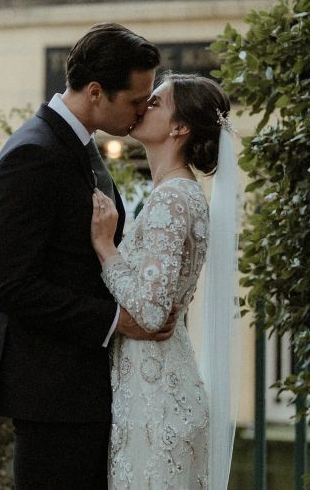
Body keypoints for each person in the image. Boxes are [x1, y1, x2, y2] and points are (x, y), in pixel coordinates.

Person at [0, 23, 181, 489]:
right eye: (134, 100)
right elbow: (11, 286)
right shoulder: (32, 154)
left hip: (82, 387)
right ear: (96, 92)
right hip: (52, 391)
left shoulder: (77, 144)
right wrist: (118, 320)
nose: (139, 112)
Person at [90, 72, 239, 489]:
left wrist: (106, 247)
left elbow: (152, 312)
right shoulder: (177, 193)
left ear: (180, 127)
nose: (141, 106)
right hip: (153, 384)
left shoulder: (173, 198)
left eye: (154, 103)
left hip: (156, 397)